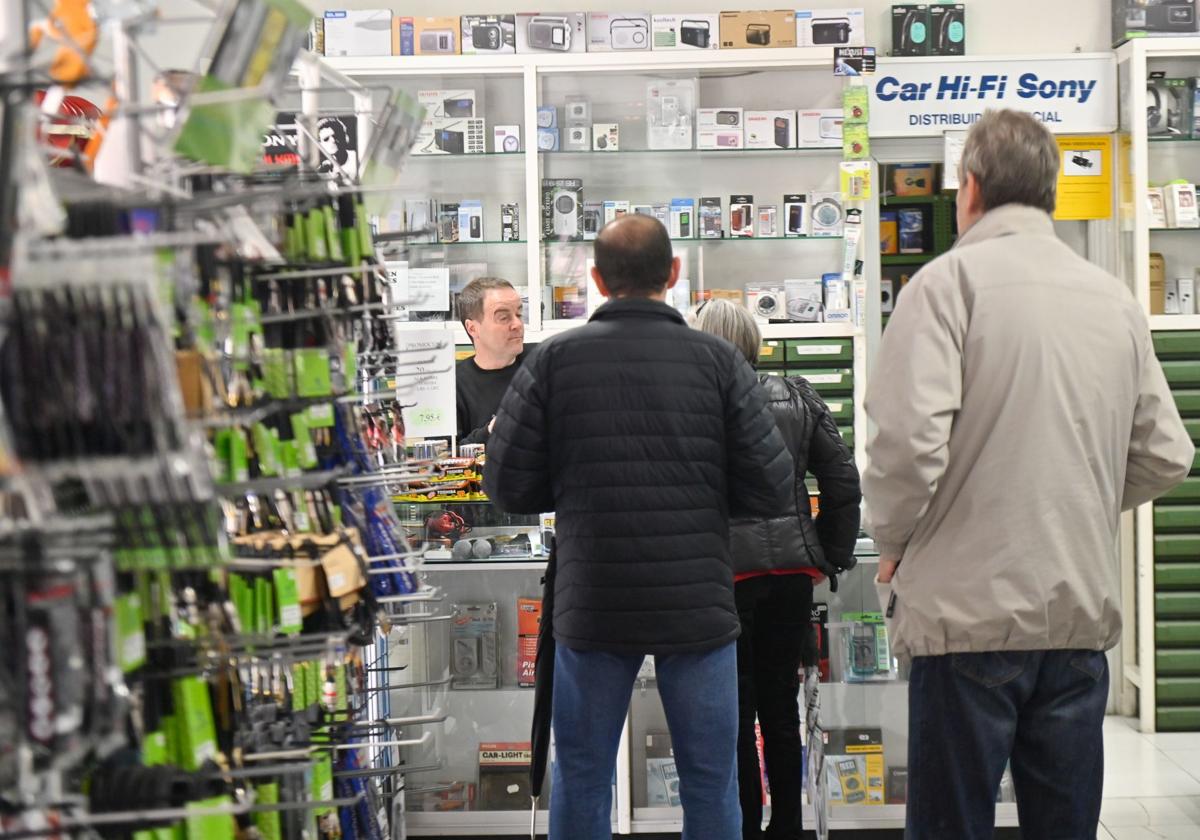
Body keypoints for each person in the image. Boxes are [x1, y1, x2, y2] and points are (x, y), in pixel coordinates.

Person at [863, 109, 1194, 840]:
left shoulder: (943, 286)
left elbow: (907, 449)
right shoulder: (1113, 299)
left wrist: (893, 541)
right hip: (1075, 622)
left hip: (966, 623)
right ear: (1049, 191)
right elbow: (1168, 453)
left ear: (969, 188)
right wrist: (1080, 493)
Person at [483, 214, 793, 840]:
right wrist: (703, 497)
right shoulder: (718, 362)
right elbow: (771, 485)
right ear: (673, 275)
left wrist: (569, 490)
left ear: (596, 280)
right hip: (697, 603)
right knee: (711, 781)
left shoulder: (554, 361)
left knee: (584, 775)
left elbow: (507, 484)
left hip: (593, 601)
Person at [690, 298, 861, 840]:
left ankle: (740, 826)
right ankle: (787, 827)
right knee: (781, 710)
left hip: (721, 580)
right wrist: (829, 554)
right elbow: (842, 483)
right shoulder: (799, 396)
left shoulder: (695, 403)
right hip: (789, 576)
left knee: (733, 716)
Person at [454, 277, 528, 446]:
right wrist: (492, 430)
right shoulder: (451, 386)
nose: (517, 324)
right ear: (472, 328)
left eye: (519, 314)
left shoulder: (541, 363)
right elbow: (443, 456)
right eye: (503, 317)